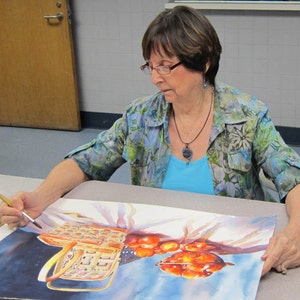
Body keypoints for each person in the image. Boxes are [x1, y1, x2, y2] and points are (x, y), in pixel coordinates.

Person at [0, 5, 300, 277]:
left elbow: (292, 179)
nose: (155, 78)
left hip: (226, 258)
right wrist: (41, 196)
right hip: (160, 258)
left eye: (166, 66)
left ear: (204, 63)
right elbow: (87, 160)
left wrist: (294, 233)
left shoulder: (246, 116)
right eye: (150, 66)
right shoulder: (142, 116)